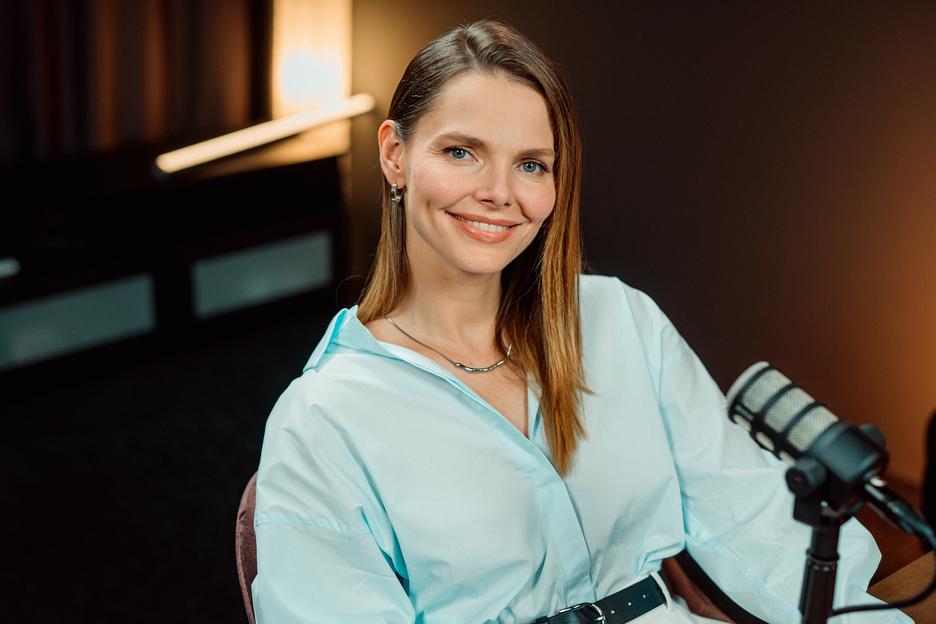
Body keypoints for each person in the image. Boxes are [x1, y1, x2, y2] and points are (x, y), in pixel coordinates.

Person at [250, 20, 911, 624]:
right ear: (395, 154)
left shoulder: (620, 321)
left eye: (531, 165)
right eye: (461, 152)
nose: (499, 193)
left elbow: (753, 519)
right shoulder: (323, 421)